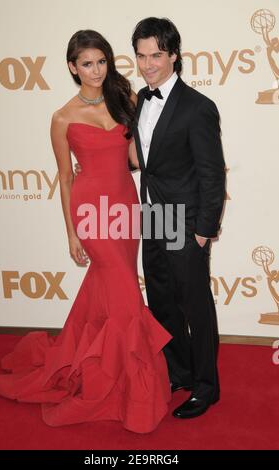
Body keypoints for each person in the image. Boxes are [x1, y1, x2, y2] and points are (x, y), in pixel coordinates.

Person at [0, 30, 172, 434]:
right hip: (90, 212)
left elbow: (132, 158)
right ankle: (133, 392)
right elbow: (65, 179)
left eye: (102, 61)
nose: (96, 70)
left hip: (125, 206)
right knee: (126, 294)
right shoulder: (63, 117)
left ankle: (87, 363)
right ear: (73, 67)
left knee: (109, 292)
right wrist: (72, 233)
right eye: (87, 63)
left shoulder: (126, 100)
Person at [76, 18, 226, 419]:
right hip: (152, 218)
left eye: (156, 55)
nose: (148, 64)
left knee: (195, 305)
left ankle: (207, 388)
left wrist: (203, 231)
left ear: (174, 55)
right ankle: (180, 372)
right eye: (141, 56)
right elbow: (144, 161)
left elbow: (212, 175)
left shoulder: (198, 107)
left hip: (185, 221)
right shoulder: (139, 100)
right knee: (162, 302)